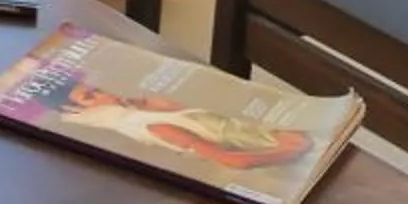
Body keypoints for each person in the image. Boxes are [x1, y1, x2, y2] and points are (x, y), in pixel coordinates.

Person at [38, 73, 310, 170]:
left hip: (287, 135)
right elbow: (235, 161)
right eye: (90, 96)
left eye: (96, 89)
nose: (104, 93)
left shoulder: (148, 113)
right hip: (293, 151)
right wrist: (291, 149)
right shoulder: (156, 127)